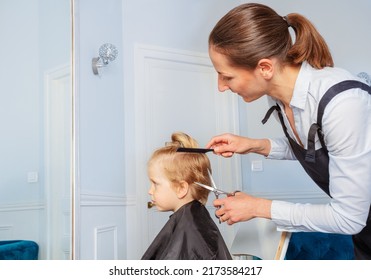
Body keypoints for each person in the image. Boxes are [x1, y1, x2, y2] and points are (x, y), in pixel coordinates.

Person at [206, 3, 371, 259]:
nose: (221, 86)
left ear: (264, 68)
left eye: (226, 76)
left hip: (357, 218)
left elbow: (348, 217)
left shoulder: (342, 103)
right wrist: (253, 145)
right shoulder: (280, 99)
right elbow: (315, 147)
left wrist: (259, 207)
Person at [141, 132, 232, 260]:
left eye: (155, 184)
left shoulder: (191, 230)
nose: (150, 191)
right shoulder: (193, 220)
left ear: (181, 188)